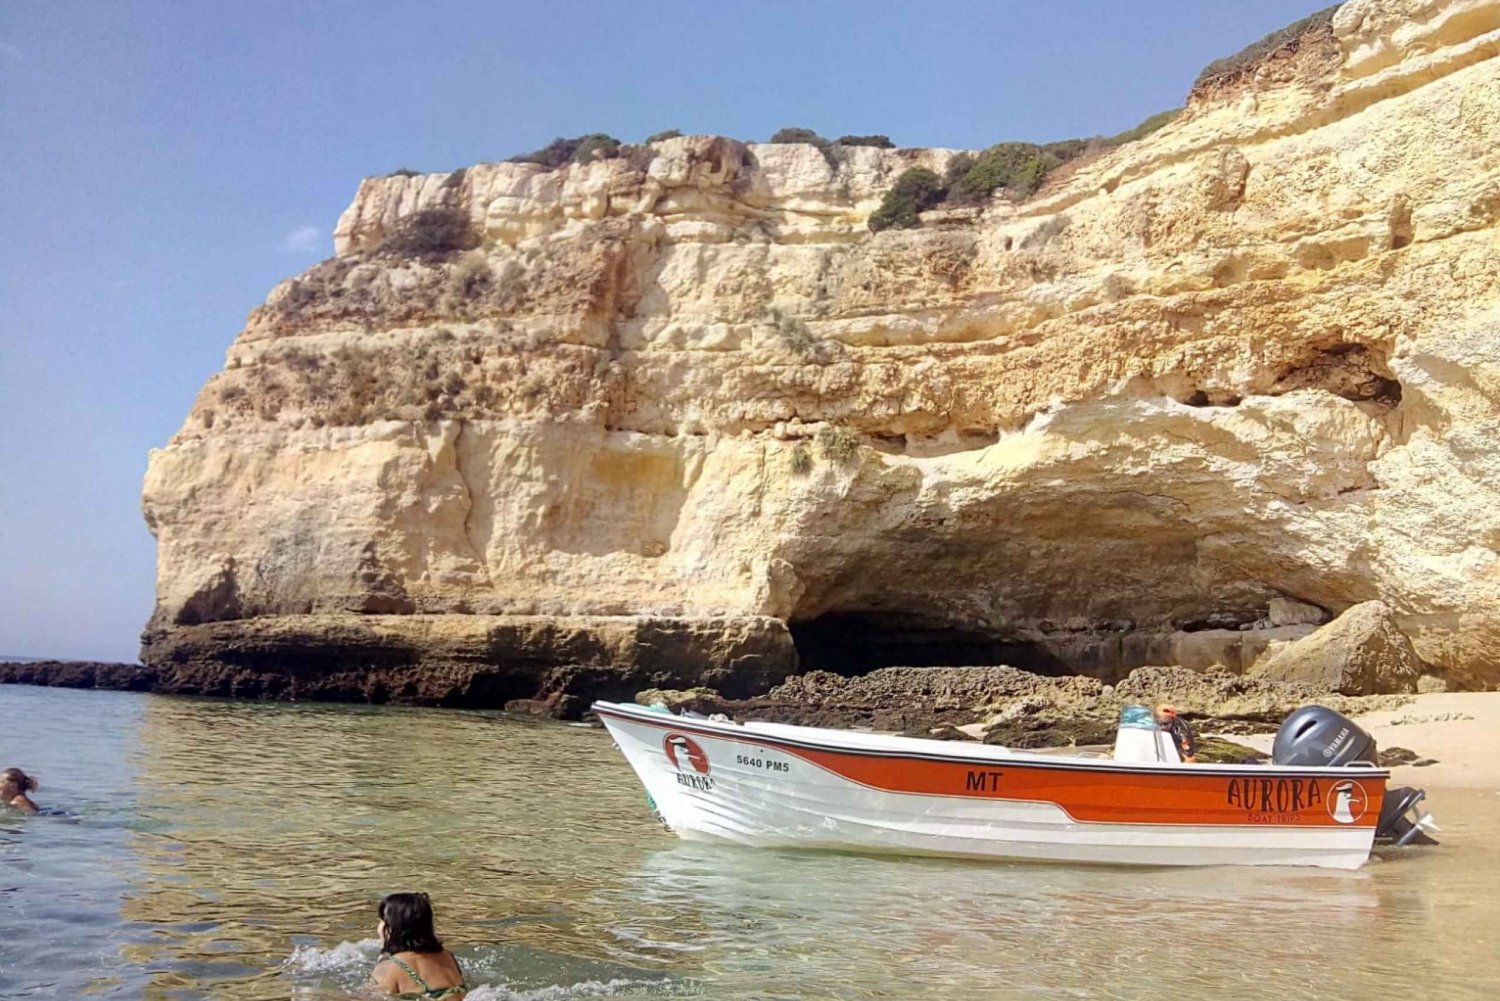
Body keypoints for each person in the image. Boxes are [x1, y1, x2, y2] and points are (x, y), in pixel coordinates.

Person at [371, 892, 468, 999]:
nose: (378, 928)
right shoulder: (447, 956)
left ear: (393, 927)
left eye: (381, 921)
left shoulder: (390, 966)